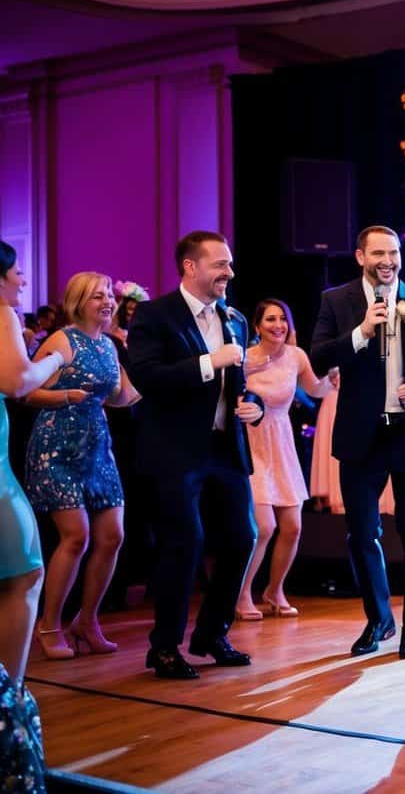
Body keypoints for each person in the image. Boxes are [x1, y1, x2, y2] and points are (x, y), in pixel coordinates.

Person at [311, 225, 405, 659]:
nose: (388, 261)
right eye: (378, 253)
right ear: (360, 257)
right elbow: (318, 358)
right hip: (362, 433)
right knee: (361, 533)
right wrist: (360, 333)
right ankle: (379, 620)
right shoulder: (336, 301)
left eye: (393, 252)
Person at [126, 230, 264, 680]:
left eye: (229, 264)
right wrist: (212, 362)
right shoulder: (154, 315)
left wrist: (253, 406)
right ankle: (164, 647)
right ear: (190, 266)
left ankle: (211, 635)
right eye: (220, 264)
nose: (229, 272)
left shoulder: (236, 319)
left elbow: (239, 382)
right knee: (184, 544)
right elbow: (148, 378)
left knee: (243, 537)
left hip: (225, 448)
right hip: (175, 451)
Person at [24, 272, 139, 659]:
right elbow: (24, 391)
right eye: (97, 296)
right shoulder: (61, 339)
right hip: (56, 446)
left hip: (97, 447)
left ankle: (86, 621)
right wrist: (64, 397)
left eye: (109, 295)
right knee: (76, 536)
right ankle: (49, 625)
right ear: (77, 302)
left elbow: (121, 397)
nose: (107, 301)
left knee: (113, 535)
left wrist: (148, 371)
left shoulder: (108, 345)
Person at [0, 242, 68, 789]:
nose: (23, 280)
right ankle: (8, 695)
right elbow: (17, 382)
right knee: (26, 571)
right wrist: (56, 357)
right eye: (18, 272)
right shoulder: (0, 309)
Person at [235, 298, 335, 620]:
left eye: (282, 319)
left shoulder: (296, 356)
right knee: (264, 527)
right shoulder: (245, 358)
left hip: (282, 442)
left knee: (292, 526)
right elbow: (230, 398)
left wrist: (330, 380)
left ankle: (274, 589)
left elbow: (315, 390)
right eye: (270, 319)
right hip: (252, 443)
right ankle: (242, 594)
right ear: (257, 326)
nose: (278, 325)